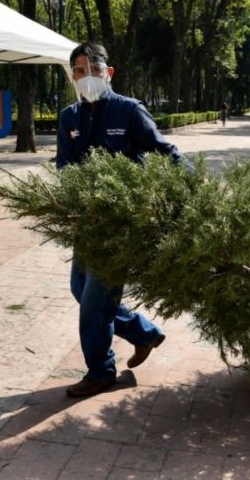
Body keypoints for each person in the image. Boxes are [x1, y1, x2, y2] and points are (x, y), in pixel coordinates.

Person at [56, 42, 187, 399]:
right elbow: (65, 169)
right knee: (79, 290)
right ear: (72, 76)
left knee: (96, 303)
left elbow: (165, 152)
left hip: (122, 225)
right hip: (87, 223)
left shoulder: (129, 111)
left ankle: (100, 371)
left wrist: (195, 186)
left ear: (108, 73)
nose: (86, 77)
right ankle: (144, 333)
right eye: (79, 71)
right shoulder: (69, 118)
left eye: (93, 69)